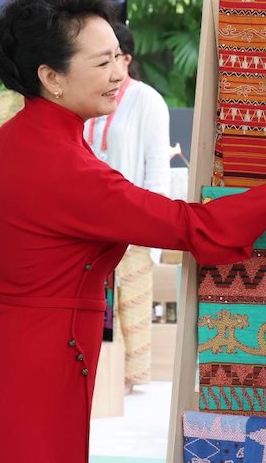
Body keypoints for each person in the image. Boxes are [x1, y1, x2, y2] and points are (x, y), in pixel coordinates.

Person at [0, 0, 266, 462]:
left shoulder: (11, 141)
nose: (119, 73)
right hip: (29, 372)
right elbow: (192, 227)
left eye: (119, 57)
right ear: (51, 77)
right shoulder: (63, 167)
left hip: (0, 354)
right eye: (101, 63)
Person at [84, 21, 170, 391]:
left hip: (133, 218)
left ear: (126, 58)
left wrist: (154, 223)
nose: (107, 68)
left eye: (112, 57)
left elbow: (156, 166)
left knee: (131, 301)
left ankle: (128, 381)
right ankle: (97, 373)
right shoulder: (85, 98)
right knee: (92, 299)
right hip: (89, 221)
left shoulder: (145, 99)